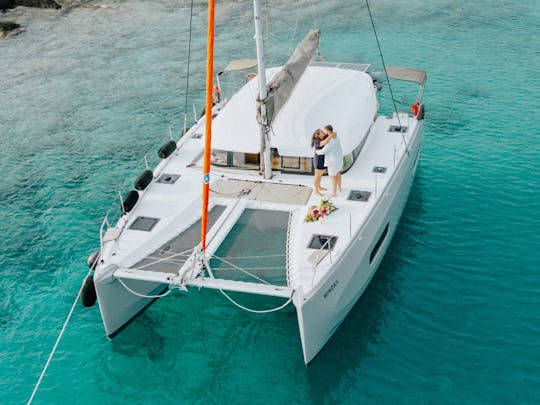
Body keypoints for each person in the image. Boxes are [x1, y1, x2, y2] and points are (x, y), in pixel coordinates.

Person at [315, 124, 343, 198]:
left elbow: (323, 151)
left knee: (333, 178)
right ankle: (339, 188)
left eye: (325, 131)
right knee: (338, 174)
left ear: (327, 131)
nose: (324, 132)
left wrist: (316, 151)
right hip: (339, 160)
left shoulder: (329, 142)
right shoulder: (337, 137)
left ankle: (334, 193)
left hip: (332, 162)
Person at [311, 129, 331, 196]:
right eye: (321, 132)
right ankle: (316, 191)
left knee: (320, 176)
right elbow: (324, 142)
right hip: (318, 160)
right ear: (318, 134)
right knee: (317, 176)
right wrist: (330, 136)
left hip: (323, 160)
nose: (323, 132)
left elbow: (328, 136)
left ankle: (319, 187)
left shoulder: (323, 138)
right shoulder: (316, 141)